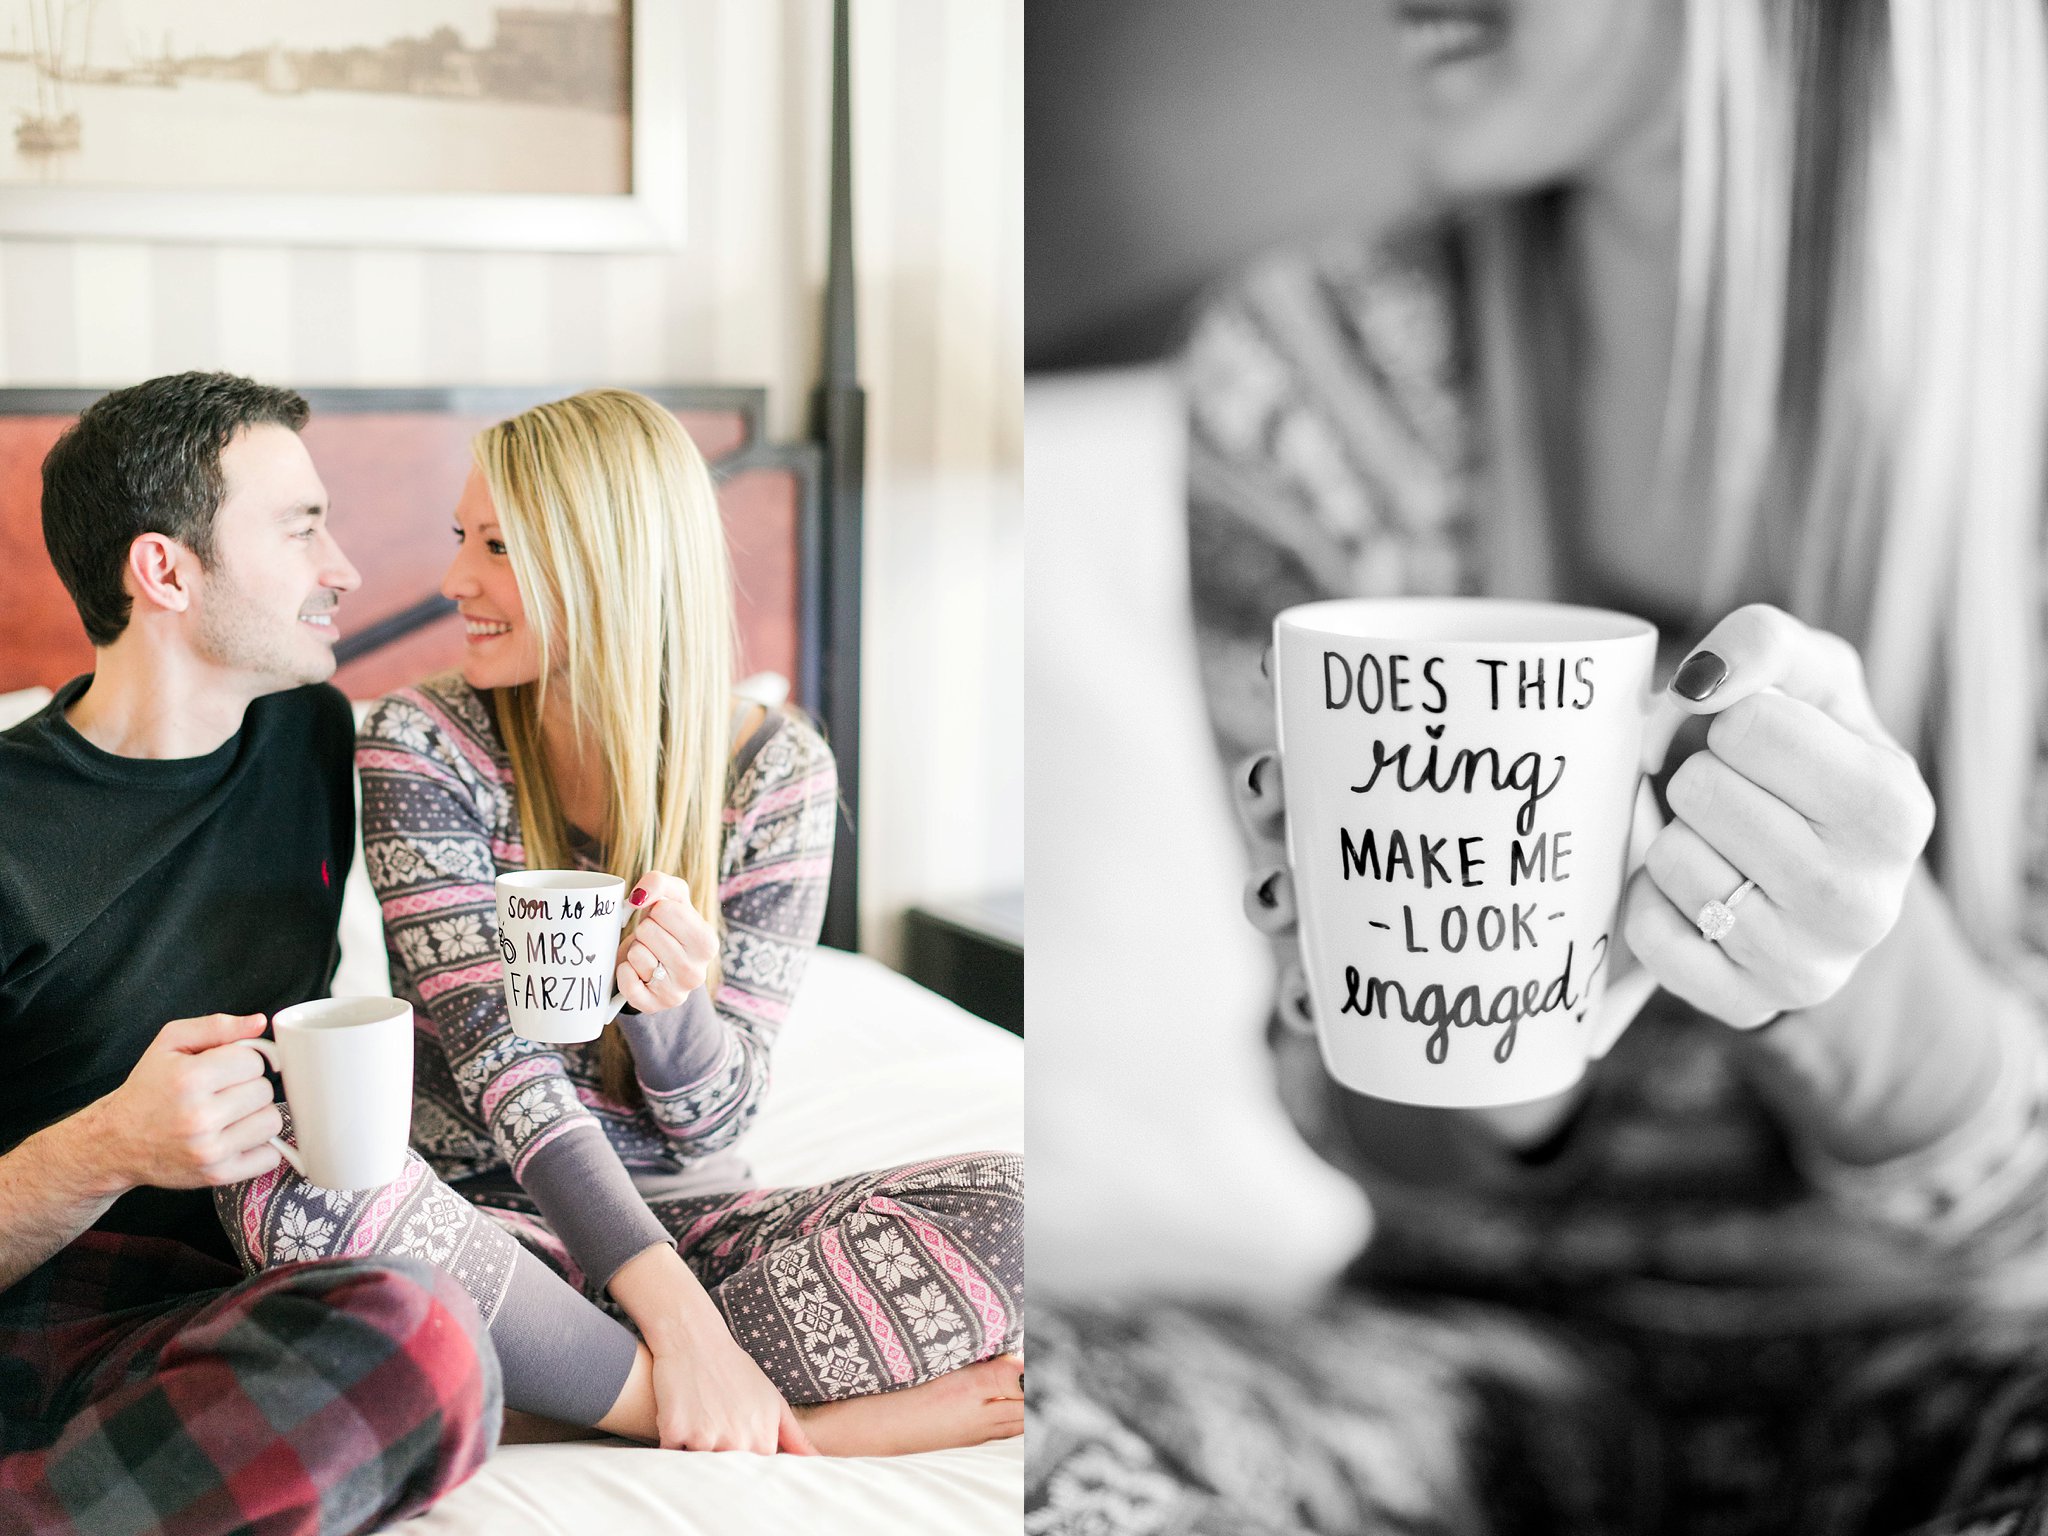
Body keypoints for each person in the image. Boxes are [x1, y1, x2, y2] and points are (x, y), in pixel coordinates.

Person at [1029, 1, 2048, 1533]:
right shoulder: (1311, 369)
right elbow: (1364, 1135)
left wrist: (1870, 996)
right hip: (1462, 1368)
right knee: (1005, 1419)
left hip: (1961, 1362)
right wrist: (1463, 1009)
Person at [215, 387, 1025, 1457]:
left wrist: (674, 1015)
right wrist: (683, 1330)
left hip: (697, 1225)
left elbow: (712, 1126)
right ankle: (764, 1424)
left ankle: (543, 1381)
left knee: (1025, 1207)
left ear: (607, 564)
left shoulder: (775, 772)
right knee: (272, 1175)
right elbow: (501, 1061)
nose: (455, 579)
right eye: (464, 539)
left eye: (498, 547)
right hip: (478, 1217)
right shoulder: (420, 742)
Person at [0, 372, 500, 1534]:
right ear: (165, 570)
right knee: (420, 1341)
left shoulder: (310, 736)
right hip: (49, 1306)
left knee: (446, 1319)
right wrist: (107, 1146)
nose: (346, 570)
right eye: (300, 527)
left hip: (256, 1280)